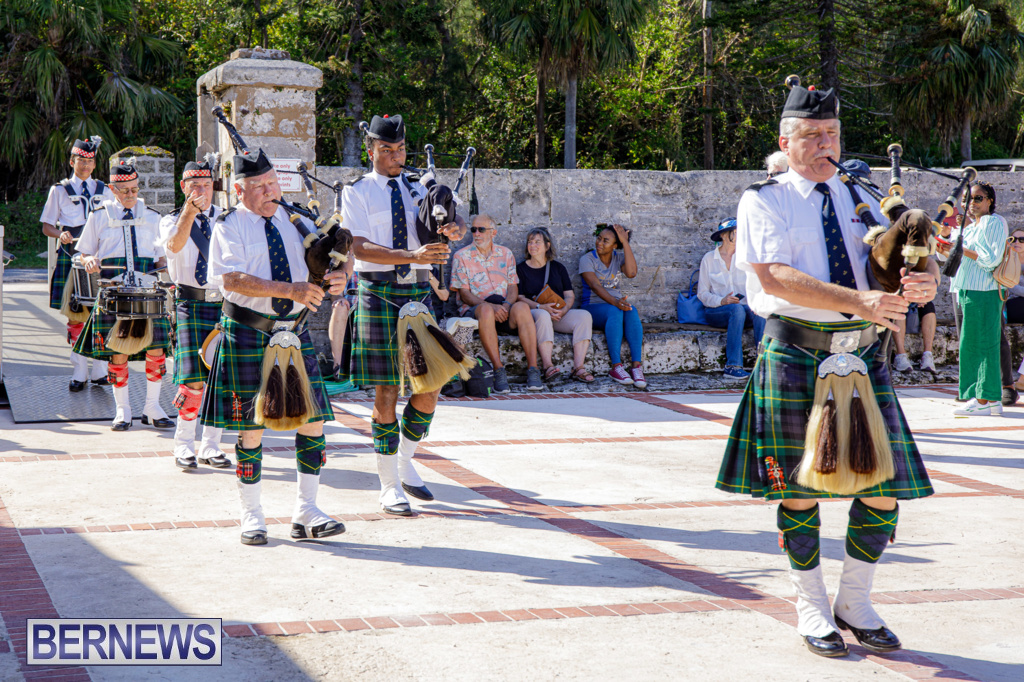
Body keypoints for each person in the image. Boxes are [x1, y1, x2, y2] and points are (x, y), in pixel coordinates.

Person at [716, 79, 936, 659]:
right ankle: (810, 604)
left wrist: (918, 280)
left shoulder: (857, 195)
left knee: (886, 489)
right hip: (795, 351)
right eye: (811, 135)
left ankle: (854, 601)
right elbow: (772, 277)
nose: (824, 145)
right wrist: (859, 301)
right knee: (799, 492)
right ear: (785, 141)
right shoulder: (763, 200)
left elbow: (880, 266)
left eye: (832, 134)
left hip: (863, 356)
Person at [201, 148, 347, 545]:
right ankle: (252, 514)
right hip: (249, 331)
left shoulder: (297, 218)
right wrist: (290, 289)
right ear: (238, 190)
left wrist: (340, 278)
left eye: (273, 183)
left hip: (293, 332)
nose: (269, 192)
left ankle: (307, 511)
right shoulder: (229, 225)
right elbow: (230, 279)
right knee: (251, 428)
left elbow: (337, 255)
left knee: (312, 419)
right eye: (259, 186)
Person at [343, 114, 466, 516]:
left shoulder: (420, 186)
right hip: (377, 293)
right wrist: (410, 256)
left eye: (400, 149)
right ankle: (388, 484)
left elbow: (447, 219)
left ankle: (405, 458)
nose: (395, 156)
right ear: (370, 150)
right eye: (386, 150)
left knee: (431, 387)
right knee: (385, 393)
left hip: (417, 292)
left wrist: (453, 230)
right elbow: (358, 247)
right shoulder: (356, 191)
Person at [72, 159, 173, 432]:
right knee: (118, 352)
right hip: (113, 292)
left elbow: (161, 257)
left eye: (135, 189)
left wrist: (167, 272)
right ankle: (123, 410)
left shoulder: (153, 217)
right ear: (113, 190)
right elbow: (82, 253)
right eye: (125, 190)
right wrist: (89, 259)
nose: (131, 195)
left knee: (156, 350)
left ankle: (152, 407)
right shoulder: (99, 216)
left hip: (147, 291)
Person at [158, 160, 230, 471]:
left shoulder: (229, 220)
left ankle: (211, 446)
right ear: (183, 187)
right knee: (192, 383)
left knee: (221, 380)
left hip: (225, 304)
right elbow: (173, 246)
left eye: (206, 185)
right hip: (190, 303)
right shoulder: (170, 221)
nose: (201, 191)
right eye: (194, 185)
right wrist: (190, 212)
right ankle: (183, 445)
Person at [39, 137, 111, 391]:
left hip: (99, 257)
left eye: (90, 161)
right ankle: (79, 371)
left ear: (94, 163)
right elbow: (47, 225)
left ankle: (101, 370)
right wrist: (61, 234)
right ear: (72, 161)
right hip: (71, 254)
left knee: (102, 313)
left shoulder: (106, 190)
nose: (86, 166)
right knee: (76, 316)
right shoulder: (59, 190)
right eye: (81, 161)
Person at [451, 214, 544, 393]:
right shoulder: (461, 256)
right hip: (476, 312)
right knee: (486, 310)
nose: (476, 233)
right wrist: (492, 307)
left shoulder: (505, 254)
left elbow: (512, 288)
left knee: (522, 307)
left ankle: (533, 369)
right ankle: (498, 369)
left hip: (504, 309)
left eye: (481, 229)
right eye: (473, 229)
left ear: (493, 232)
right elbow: (464, 294)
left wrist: (507, 306)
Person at [948, 182, 1007, 416]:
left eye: (977, 198)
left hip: (983, 291)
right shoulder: (972, 226)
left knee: (980, 345)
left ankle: (981, 400)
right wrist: (948, 249)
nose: (971, 204)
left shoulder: (993, 222)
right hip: (968, 290)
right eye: (967, 200)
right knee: (976, 345)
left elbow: (991, 259)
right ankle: (991, 399)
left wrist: (961, 249)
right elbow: (965, 259)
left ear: (989, 200)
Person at [515, 227, 595, 383]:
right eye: (530, 242)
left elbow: (569, 295)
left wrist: (564, 310)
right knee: (543, 315)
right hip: (534, 314)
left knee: (584, 316)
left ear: (547, 245)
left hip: (558, 314)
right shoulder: (521, 269)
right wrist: (540, 307)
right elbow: (519, 298)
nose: (532, 245)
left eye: (537, 242)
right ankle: (547, 366)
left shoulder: (558, 268)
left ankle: (579, 368)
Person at [698, 218, 766, 380]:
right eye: (734, 232)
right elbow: (702, 294)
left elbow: (756, 287)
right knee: (736, 310)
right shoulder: (709, 259)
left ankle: (763, 363)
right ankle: (732, 366)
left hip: (743, 310)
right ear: (723, 235)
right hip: (717, 312)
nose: (738, 235)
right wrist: (723, 301)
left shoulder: (745, 259)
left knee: (760, 311)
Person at [579, 224, 646, 388]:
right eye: (599, 238)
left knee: (631, 310)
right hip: (592, 308)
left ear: (616, 245)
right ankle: (616, 367)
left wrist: (625, 242)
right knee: (615, 310)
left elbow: (631, 273)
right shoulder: (587, 259)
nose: (599, 243)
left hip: (614, 306)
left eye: (606, 241)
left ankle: (636, 367)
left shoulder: (617, 258)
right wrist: (616, 302)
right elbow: (595, 286)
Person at [327, 256, 355, 379]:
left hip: (371, 302)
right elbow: (335, 294)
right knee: (339, 306)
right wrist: (340, 298)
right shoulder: (344, 259)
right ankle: (338, 366)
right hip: (349, 303)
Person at [891, 301, 937, 373]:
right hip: (898, 299)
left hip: (914, 300)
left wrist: (922, 297)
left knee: (928, 306)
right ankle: (900, 355)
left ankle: (927, 354)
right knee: (898, 307)